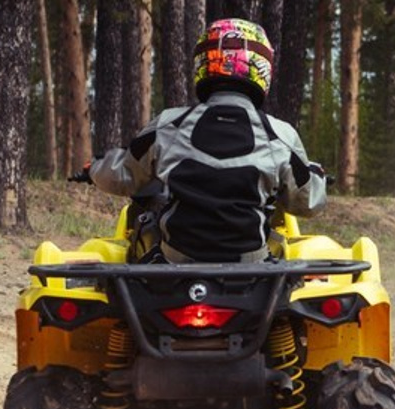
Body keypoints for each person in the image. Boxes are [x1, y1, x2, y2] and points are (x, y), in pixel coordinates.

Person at [76, 18, 327, 263]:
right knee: (283, 252)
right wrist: (317, 174)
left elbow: (123, 176)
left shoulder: (168, 124)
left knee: (143, 235)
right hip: (251, 269)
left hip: (175, 266)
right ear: (262, 67)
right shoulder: (279, 135)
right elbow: (307, 203)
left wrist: (95, 167)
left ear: (202, 62)